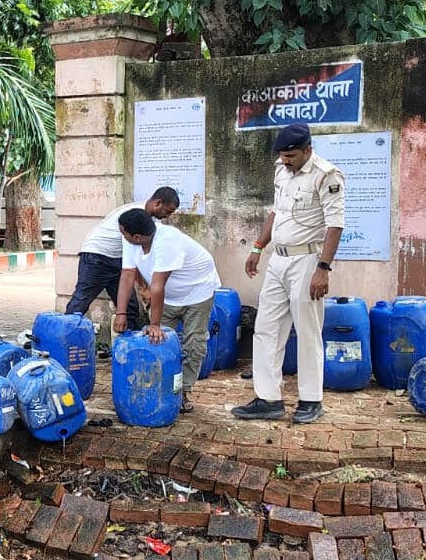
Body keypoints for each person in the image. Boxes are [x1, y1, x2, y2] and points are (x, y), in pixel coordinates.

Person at [232, 123, 346, 425]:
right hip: (278, 260)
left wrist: (323, 268)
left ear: (307, 150)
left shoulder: (327, 175)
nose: (286, 161)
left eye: (292, 156)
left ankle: (311, 400)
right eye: (283, 156)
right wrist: (258, 246)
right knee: (266, 327)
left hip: (308, 261)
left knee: (307, 331)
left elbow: (335, 224)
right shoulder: (281, 170)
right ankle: (268, 398)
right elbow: (276, 212)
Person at [113, 207, 221, 400]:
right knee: (154, 341)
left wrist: (155, 324)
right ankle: (156, 386)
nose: (121, 234)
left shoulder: (168, 241)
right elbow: (128, 274)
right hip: (168, 296)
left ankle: (183, 391)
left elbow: (157, 286)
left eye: (123, 232)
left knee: (193, 343)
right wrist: (121, 313)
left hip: (198, 291)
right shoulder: (131, 240)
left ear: (137, 236)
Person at [63, 186, 182, 326]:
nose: (168, 216)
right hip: (97, 255)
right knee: (81, 300)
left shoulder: (153, 222)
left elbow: (140, 258)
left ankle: (130, 343)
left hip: (118, 260)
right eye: (167, 211)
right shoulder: (134, 215)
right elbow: (138, 257)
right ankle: (64, 335)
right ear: (158, 203)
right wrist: (144, 288)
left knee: (129, 308)